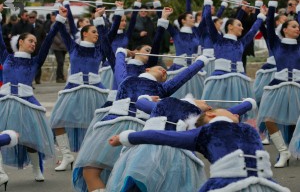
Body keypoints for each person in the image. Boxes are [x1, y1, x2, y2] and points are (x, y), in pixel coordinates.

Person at [72, 54, 209, 192]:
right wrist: (120, 53)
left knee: (129, 176)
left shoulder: (162, 89)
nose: (164, 71)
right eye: (161, 68)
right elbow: (119, 66)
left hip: (140, 131)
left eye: (166, 73)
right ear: (147, 69)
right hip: (114, 125)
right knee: (89, 171)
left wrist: (200, 62)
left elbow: (184, 76)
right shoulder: (126, 80)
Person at [109, 99, 290, 192]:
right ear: (211, 115)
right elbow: (161, 136)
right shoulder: (204, 133)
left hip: (263, 183)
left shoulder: (246, 128)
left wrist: (247, 103)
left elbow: (234, 113)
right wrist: (128, 137)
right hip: (226, 184)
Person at [50, 5, 120, 172]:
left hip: (96, 89)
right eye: (94, 31)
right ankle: (67, 156)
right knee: (57, 121)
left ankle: (91, 156)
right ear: (84, 33)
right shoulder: (73, 46)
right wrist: (60, 13)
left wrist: (112, 14)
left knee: (98, 124)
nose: (97, 34)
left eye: (97, 32)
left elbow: (112, 32)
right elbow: (60, 28)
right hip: (73, 89)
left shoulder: (100, 49)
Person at [0, 4, 64, 182]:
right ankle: (0, 173)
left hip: (26, 102)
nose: (34, 44)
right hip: (4, 101)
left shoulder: (35, 61)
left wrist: (59, 19)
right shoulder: (6, 57)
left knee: (31, 139)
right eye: (30, 41)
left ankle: (37, 169)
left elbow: (49, 39)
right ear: (20, 41)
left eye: (35, 43)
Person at [106, 96, 211, 192]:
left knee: (139, 182)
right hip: (178, 156)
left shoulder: (165, 105)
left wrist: (146, 98)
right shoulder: (186, 110)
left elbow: (141, 103)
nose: (204, 101)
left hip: (151, 149)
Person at [201, 0, 266, 119]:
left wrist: (260, 13)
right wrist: (208, 2)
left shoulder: (242, 42)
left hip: (239, 81)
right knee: (217, 110)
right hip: (220, 79)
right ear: (230, 27)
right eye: (239, 25)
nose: (242, 28)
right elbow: (208, 20)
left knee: (237, 112)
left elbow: (253, 30)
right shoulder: (219, 39)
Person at [257, 0, 300, 168]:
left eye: (298, 26)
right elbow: (268, 25)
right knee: (269, 119)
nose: (298, 28)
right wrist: (273, 1)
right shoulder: (275, 43)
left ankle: (294, 148)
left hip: (298, 85)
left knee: (295, 121)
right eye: (294, 26)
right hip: (278, 85)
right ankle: (283, 151)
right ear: (284, 29)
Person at [28, 11, 46, 85]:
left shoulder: (40, 27)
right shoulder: (26, 26)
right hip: (28, 49)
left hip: (38, 48)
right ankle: (29, 79)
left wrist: (42, 46)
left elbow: (44, 37)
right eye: (30, 17)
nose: (32, 19)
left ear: (35, 18)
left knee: (38, 64)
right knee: (28, 64)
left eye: (33, 17)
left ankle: (37, 79)